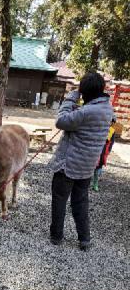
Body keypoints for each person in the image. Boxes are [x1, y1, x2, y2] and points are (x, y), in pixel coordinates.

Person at [50, 72, 114, 251]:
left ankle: (56, 236)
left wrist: (71, 98)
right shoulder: (108, 109)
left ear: (84, 92)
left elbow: (61, 121)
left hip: (68, 165)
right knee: (81, 202)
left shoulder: (86, 112)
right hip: (87, 167)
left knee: (60, 200)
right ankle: (84, 239)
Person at [92, 118, 116, 192]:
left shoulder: (112, 130)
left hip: (104, 149)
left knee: (99, 165)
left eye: (111, 122)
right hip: (95, 147)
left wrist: (108, 151)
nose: (110, 123)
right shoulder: (99, 127)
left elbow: (112, 142)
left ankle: (95, 183)